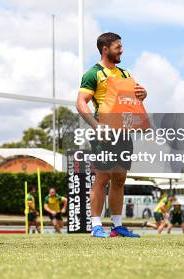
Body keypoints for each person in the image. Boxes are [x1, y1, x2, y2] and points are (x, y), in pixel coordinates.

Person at [76, 32, 147, 238]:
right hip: (104, 134)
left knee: (119, 179)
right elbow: (81, 103)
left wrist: (143, 95)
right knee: (102, 177)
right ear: (105, 49)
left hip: (124, 134)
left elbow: (133, 102)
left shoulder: (125, 74)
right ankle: (96, 225)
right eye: (118, 47)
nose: (121, 50)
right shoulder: (94, 74)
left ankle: (117, 226)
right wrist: (96, 127)